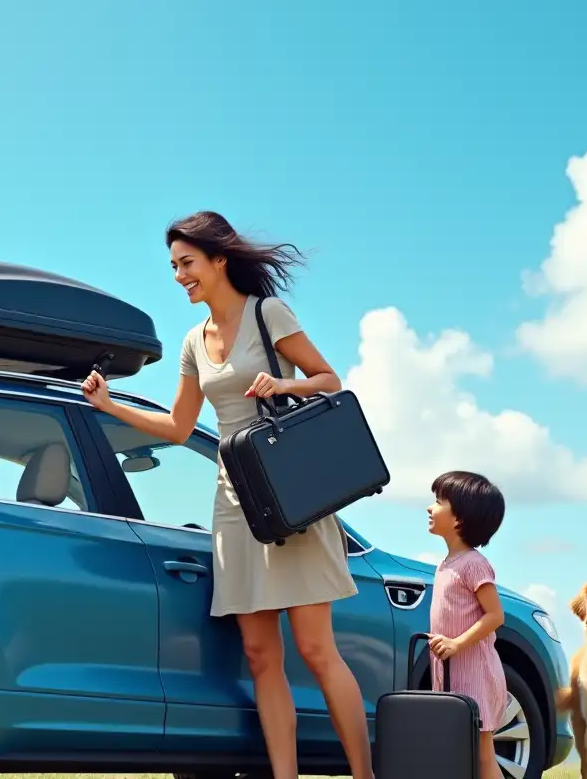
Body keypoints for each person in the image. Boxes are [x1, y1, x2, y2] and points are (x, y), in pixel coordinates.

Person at [80, 210, 374, 779]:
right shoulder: (194, 340)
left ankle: (363, 774)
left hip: (292, 495)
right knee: (263, 657)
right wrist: (110, 406)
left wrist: (286, 382)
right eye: (172, 267)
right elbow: (178, 425)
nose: (179, 276)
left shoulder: (269, 314)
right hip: (235, 504)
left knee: (316, 651)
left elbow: (329, 381)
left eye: (187, 263)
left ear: (219, 260)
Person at [426, 470, 508, 779]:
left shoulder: (473, 564)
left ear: (459, 519)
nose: (430, 508)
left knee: (483, 755)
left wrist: (457, 643)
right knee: (461, 752)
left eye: (438, 501)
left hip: (475, 672)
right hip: (451, 671)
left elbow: (495, 615)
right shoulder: (447, 564)